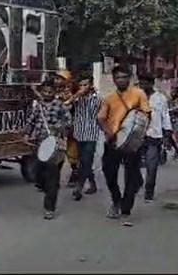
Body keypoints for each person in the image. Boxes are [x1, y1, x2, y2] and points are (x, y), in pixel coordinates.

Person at [97, 65, 150, 227]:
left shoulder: (139, 94)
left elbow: (146, 114)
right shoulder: (108, 98)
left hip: (133, 140)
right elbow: (100, 118)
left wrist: (139, 133)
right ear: (114, 79)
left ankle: (126, 207)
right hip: (113, 140)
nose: (121, 80)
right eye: (118, 77)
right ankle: (116, 199)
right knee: (108, 171)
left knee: (131, 174)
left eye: (124, 77)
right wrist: (109, 133)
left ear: (130, 78)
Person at [24, 78, 72, 220]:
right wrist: (27, 134)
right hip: (39, 143)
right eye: (44, 91)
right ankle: (48, 188)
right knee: (36, 172)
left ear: (54, 92)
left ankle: (49, 207)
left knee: (51, 175)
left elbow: (68, 121)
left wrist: (56, 127)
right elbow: (31, 120)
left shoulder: (60, 105)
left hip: (54, 145)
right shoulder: (38, 106)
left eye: (50, 91)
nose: (47, 93)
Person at [65, 71, 101, 200]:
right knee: (83, 161)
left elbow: (99, 114)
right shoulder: (76, 98)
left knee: (86, 161)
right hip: (79, 134)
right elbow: (65, 105)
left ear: (90, 85)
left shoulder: (97, 98)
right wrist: (76, 95)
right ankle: (93, 184)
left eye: (85, 85)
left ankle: (79, 187)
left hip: (91, 134)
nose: (83, 88)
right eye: (80, 85)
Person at [138, 73, 172, 203]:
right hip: (136, 136)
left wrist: (167, 134)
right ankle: (138, 182)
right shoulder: (135, 97)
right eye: (141, 83)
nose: (143, 86)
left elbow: (165, 116)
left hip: (154, 136)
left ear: (151, 84)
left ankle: (149, 191)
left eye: (145, 83)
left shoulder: (160, 98)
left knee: (151, 166)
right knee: (133, 165)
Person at [54, 69, 79, 188]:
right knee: (59, 151)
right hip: (59, 127)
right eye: (56, 78)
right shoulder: (56, 92)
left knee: (71, 152)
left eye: (59, 79)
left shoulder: (68, 93)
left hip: (69, 127)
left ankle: (75, 174)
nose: (56, 81)